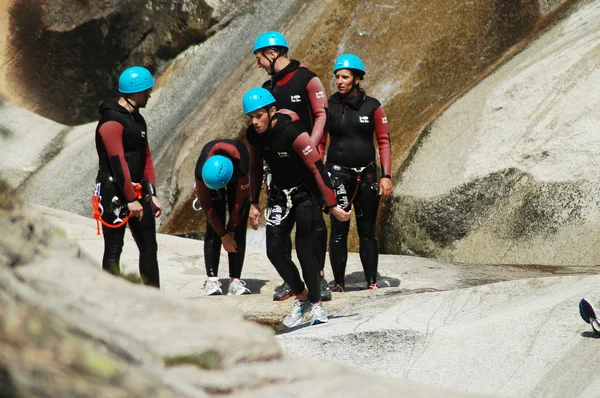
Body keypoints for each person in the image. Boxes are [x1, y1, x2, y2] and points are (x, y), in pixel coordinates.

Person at [243, 87, 351, 327]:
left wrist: (332, 205)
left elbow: (317, 168)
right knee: (274, 251)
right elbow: (254, 167)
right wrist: (253, 203)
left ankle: (316, 304)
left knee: (305, 251)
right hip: (279, 197)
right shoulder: (253, 135)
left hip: (304, 195)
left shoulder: (293, 132)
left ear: (272, 111)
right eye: (250, 117)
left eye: (258, 115)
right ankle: (301, 297)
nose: (254, 121)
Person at [253, 31, 331, 301]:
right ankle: (292, 281)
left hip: (309, 162)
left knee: (315, 224)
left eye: (259, 58)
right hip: (280, 169)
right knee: (282, 226)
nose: (258, 64)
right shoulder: (267, 89)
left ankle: (319, 277)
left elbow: (322, 114)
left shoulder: (307, 78)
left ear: (272, 53)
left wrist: (311, 146)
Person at [318, 54, 393, 292]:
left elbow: (384, 141)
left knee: (367, 230)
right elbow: (320, 143)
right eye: (337, 77)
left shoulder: (373, 106)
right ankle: (339, 283)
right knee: (338, 231)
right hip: (338, 176)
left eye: (345, 77)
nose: (340, 81)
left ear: (357, 79)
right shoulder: (328, 106)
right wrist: (319, 175)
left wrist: (386, 176)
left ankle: (371, 281)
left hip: (368, 176)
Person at [94, 66, 162, 288]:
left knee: (149, 247)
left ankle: (154, 299)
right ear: (137, 92)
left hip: (139, 191)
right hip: (114, 191)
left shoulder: (138, 120)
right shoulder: (111, 121)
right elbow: (117, 162)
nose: (150, 95)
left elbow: (147, 158)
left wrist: (151, 194)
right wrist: (130, 199)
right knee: (114, 249)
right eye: (147, 91)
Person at [193, 139, 252, 296]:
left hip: (234, 174)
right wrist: (223, 235)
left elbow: (242, 200)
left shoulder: (242, 164)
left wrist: (231, 229)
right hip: (214, 176)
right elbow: (207, 206)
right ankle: (211, 279)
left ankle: (235, 280)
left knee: (239, 221)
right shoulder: (201, 171)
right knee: (213, 225)